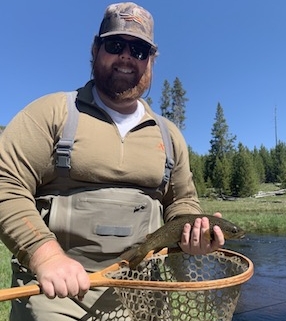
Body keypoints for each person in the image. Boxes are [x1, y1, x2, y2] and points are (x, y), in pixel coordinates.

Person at [0, 2, 224, 320]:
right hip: (57, 296)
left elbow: (182, 201)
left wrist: (193, 232)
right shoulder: (52, 113)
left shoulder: (169, 135)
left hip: (145, 295)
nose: (127, 57)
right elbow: (6, 181)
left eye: (139, 50)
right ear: (95, 49)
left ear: (151, 61)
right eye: (115, 45)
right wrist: (45, 255)